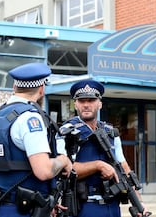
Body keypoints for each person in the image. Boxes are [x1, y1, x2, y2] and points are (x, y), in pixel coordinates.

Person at [0, 62, 72, 217]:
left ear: (14, 87)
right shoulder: (30, 118)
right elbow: (43, 171)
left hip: (1, 205)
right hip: (23, 210)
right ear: (41, 89)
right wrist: (64, 161)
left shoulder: (0, 115)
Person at [61, 79, 149, 217]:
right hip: (83, 207)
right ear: (75, 104)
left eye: (91, 101)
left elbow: (123, 167)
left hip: (112, 207)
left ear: (100, 104)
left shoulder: (110, 132)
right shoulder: (66, 132)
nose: (86, 105)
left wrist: (138, 202)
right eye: (82, 101)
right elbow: (63, 170)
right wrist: (98, 166)